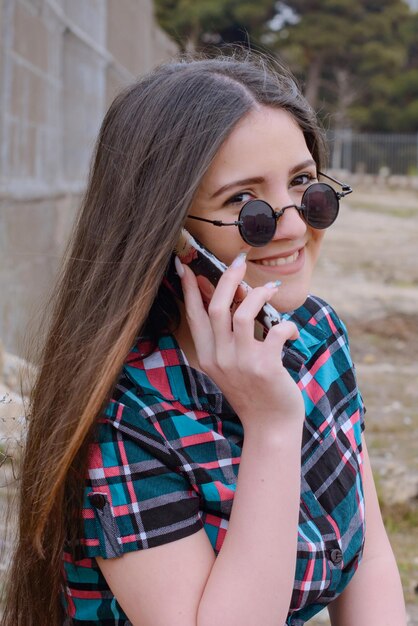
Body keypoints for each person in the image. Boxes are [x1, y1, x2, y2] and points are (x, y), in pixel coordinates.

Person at [1, 51, 406, 626]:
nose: (293, 225)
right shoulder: (126, 414)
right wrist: (271, 424)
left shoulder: (317, 334)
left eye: (304, 187)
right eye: (244, 204)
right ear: (170, 234)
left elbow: (370, 557)